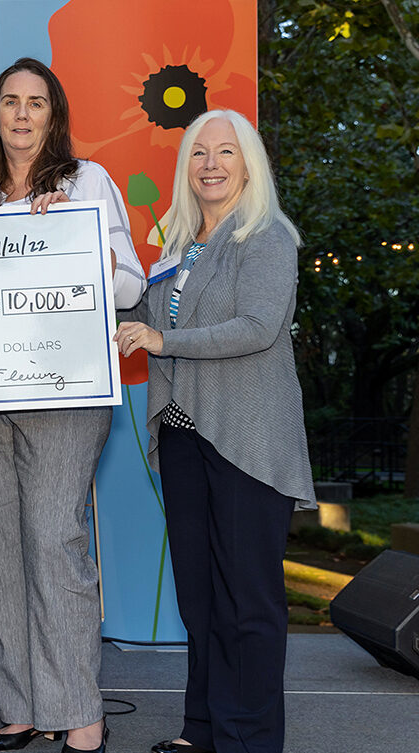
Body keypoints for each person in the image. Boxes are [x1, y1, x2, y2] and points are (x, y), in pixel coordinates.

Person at [0, 57, 146, 753]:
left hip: (65, 390)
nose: (22, 114)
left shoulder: (85, 180)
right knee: (0, 547)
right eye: (10, 101)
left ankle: (79, 713)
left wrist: (76, 234)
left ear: (53, 115)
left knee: (53, 541)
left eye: (36, 102)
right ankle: (22, 706)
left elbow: (129, 283)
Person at [114, 109, 314, 753]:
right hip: (183, 436)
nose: (211, 163)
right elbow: (136, 312)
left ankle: (249, 740)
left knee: (248, 603)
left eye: (226, 152)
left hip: (247, 440)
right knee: (200, 600)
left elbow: (258, 326)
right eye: (200, 153)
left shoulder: (268, 236)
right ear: (185, 166)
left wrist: (162, 338)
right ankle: (204, 730)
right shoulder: (179, 243)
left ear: (248, 163)